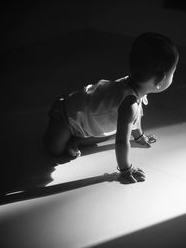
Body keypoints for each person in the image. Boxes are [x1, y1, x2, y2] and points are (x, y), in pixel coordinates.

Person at [44, 32, 179, 183]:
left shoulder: (133, 89)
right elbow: (121, 142)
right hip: (65, 115)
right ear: (160, 79)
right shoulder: (129, 104)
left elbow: (135, 118)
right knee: (54, 150)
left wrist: (139, 136)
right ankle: (69, 138)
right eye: (173, 73)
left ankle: (74, 140)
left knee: (110, 132)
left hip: (83, 119)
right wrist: (126, 169)